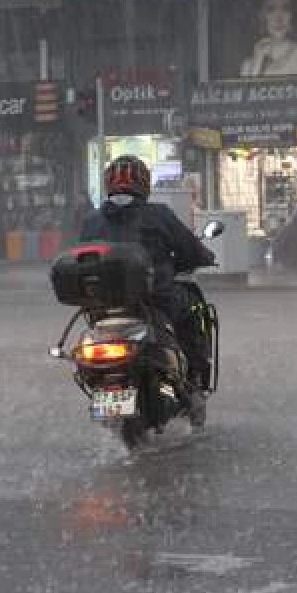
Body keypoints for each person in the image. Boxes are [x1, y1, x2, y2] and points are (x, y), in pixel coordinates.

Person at [78, 156, 217, 418]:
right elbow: (190, 250)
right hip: (158, 300)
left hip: (103, 308)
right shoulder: (159, 215)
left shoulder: (91, 221)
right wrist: (203, 256)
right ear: (145, 184)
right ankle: (196, 378)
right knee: (195, 307)